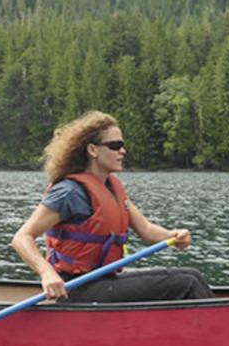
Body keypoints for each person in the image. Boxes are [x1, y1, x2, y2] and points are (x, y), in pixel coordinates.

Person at [12, 110, 213, 303]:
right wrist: (47, 273)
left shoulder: (112, 188)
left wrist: (173, 236)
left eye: (122, 145)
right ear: (92, 150)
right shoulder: (69, 192)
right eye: (115, 145)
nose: (122, 151)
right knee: (187, 283)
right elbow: (22, 238)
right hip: (76, 288)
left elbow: (146, 230)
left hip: (104, 282)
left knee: (193, 276)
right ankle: (216, 334)